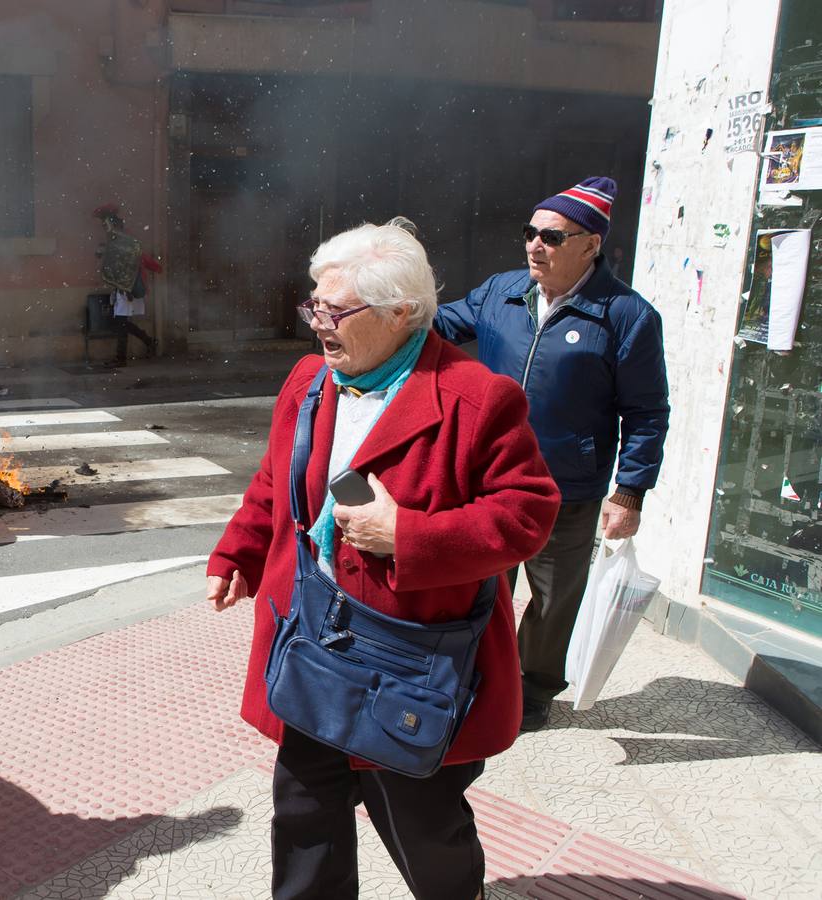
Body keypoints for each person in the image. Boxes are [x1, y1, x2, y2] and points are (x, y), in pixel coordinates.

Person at [207, 219, 560, 899]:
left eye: (337, 310)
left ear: (402, 313)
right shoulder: (311, 381)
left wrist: (412, 536)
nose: (319, 324)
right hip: (312, 640)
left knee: (422, 825)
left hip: (407, 662)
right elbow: (276, 480)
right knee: (305, 815)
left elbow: (527, 514)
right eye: (315, 304)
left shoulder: (478, 398)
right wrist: (240, 552)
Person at [434, 177, 669, 732]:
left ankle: (531, 691)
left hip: (567, 488)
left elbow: (646, 412)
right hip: (485, 477)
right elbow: (437, 325)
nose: (535, 246)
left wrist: (630, 491)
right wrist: (391, 304)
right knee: (479, 585)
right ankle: (468, 680)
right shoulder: (501, 291)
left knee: (554, 597)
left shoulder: (627, 316)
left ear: (591, 245)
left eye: (552, 237)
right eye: (531, 234)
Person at [93, 204, 158, 367]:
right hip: (121, 286)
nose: (105, 228)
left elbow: (135, 261)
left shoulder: (125, 241)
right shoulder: (115, 241)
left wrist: (129, 285)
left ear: (114, 224)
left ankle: (122, 357)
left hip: (127, 286)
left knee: (121, 323)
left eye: (106, 224)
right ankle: (148, 341)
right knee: (121, 322)